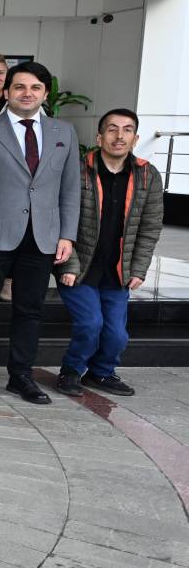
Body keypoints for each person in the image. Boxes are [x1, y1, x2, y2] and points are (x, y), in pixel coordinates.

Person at [0, 60, 80, 405]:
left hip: (42, 236)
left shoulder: (64, 132)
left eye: (35, 88)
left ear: (45, 94)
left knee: (30, 310)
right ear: (7, 91)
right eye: (20, 87)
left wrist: (67, 235)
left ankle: (21, 376)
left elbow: (70, 189)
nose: (27, 94)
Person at [55, 109, 163, 398]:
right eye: (112, 129)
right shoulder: (78, 170)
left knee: (116, 334)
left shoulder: (147, 175)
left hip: (118, 269)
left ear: (135, 138)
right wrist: (69, 265)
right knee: (90, 324)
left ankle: (101, 373)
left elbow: (150, 226)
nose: (119, 136)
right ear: (99, 136)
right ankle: (71, 371)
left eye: (127, 130)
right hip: (80, 267)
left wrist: (138, 268)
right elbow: (60, 218)